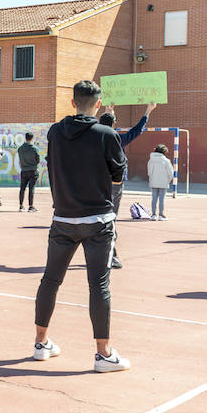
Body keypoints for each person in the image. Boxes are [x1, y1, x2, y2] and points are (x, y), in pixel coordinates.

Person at [32, 80, 129, 370]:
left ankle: (40, 343)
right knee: (99, 285)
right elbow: (118, 177)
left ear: (73, 102)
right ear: (98, 105)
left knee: (50, 280)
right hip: (98, 219)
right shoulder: (106, 134)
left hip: (62, 217)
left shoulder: (55, 132)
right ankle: (104, 353)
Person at [98, 101, 156, 268]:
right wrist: (147, 111)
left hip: (96, 183)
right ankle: (111, 255)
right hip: (114, 185)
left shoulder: (94, 139)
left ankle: (103, 254)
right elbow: (136, 130)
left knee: (96, 219)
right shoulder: (117, 139)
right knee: (110, 219)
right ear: (114, 124)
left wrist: (107, 112)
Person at [147, 144, 173, 219]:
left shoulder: (151, 160)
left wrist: (152, 178)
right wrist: (169, 180)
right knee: (162, 199)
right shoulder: (166, 161)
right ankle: (161, 215)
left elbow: (149, 172)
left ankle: (153, 215)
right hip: (164, 182)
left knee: (154, 198)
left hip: (153, 182)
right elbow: (170, 173)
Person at [17, 132, 40, 212]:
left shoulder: (20, 149)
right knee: (31, 188)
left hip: (24, 170)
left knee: (22, 188)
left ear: (25, 138)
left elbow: (20, 160)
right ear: (32, 138)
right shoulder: (34, 148)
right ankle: (30, 206)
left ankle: (21, 206)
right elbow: (38, 160)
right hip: (33, 170)